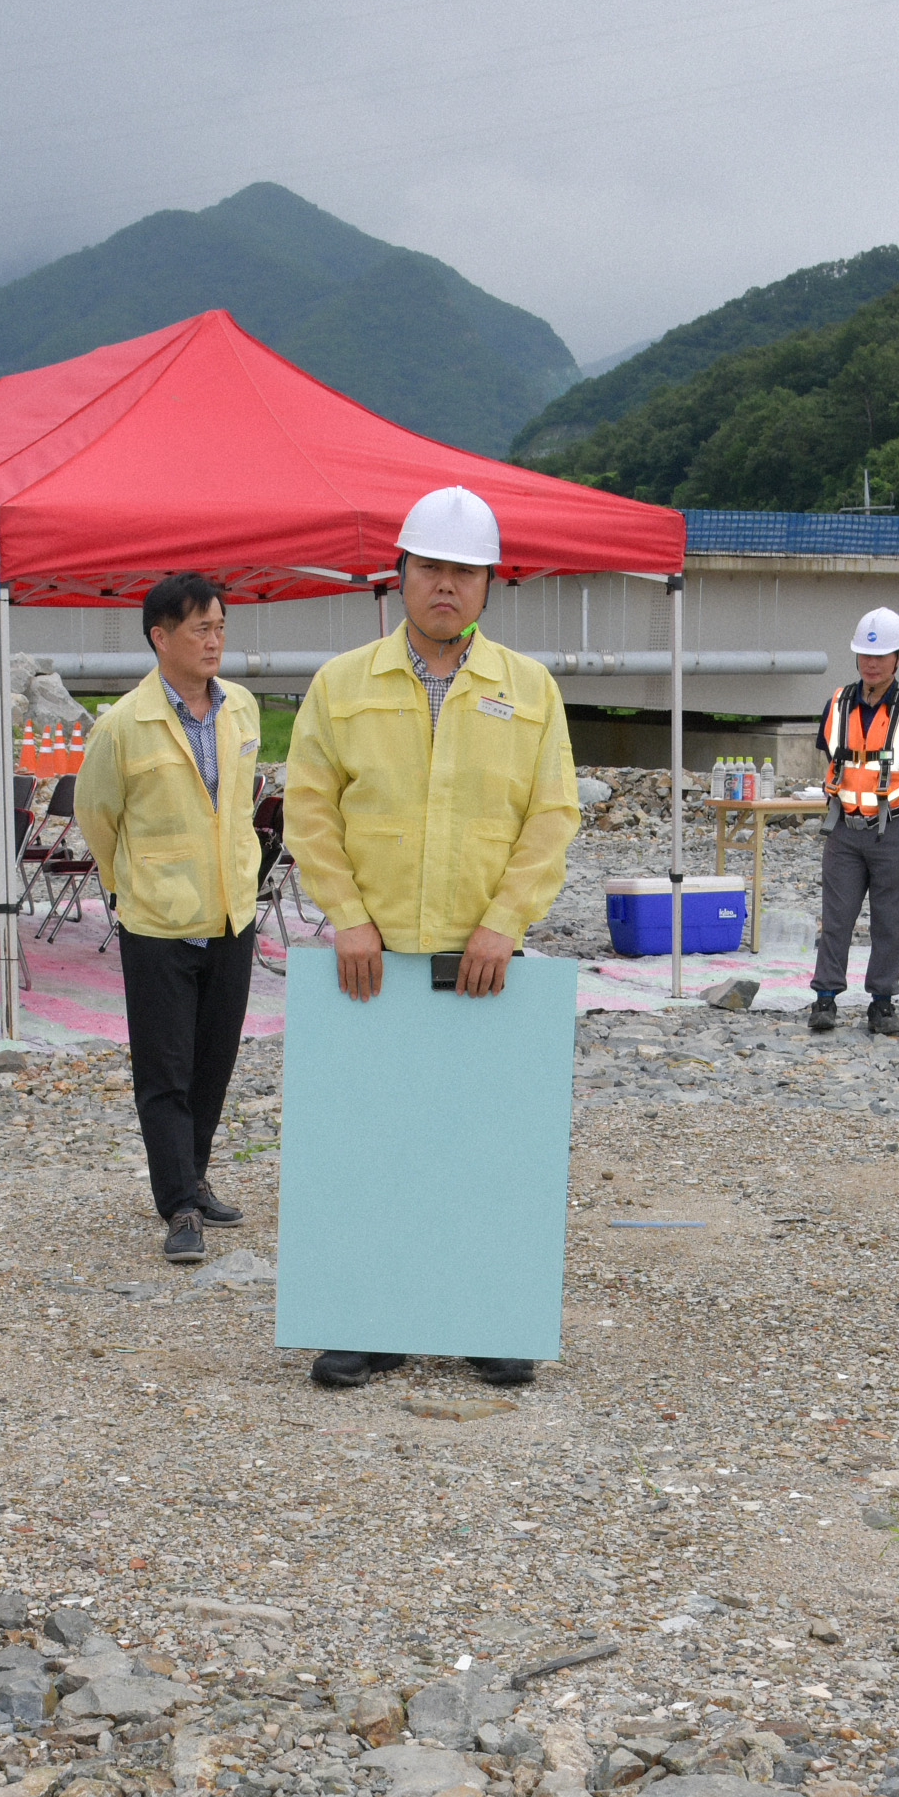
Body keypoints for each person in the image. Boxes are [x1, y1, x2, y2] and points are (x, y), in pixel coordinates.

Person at [282, 486, 579, 1393]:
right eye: (429, 569)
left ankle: (486, 1317)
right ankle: (366, 1321)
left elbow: (550, 816)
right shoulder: (342, 685)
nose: (444, 585)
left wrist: (503, 920)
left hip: (481, 959)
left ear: (489, 584)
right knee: (371, 1139)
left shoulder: (528, 692)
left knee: (482, 1142)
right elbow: (310, 808)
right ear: (399, 578)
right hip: (370, 959)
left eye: (463, 571)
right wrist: (345, 914)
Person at [77, 572, 263, 1265]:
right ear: (160, 637)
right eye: (199, 629)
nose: (213, 640)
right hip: (157, 919)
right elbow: (96, 815)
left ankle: (196, 1174)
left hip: (229, 915)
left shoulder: (239, 707)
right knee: (165, 1069)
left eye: (219, 626)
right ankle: (177, 1204)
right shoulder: (123, 723)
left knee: (213, 1061)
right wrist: (122, 887)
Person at [803, 605, 899, 1038]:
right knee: (836, 916)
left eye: (881, 654)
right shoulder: (838, 703)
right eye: (866, 654)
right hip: (844, 827)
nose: (872, 662)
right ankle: (825, 997)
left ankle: (882, 1002)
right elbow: (830, 751)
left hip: (895, 828)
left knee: (890, 919)